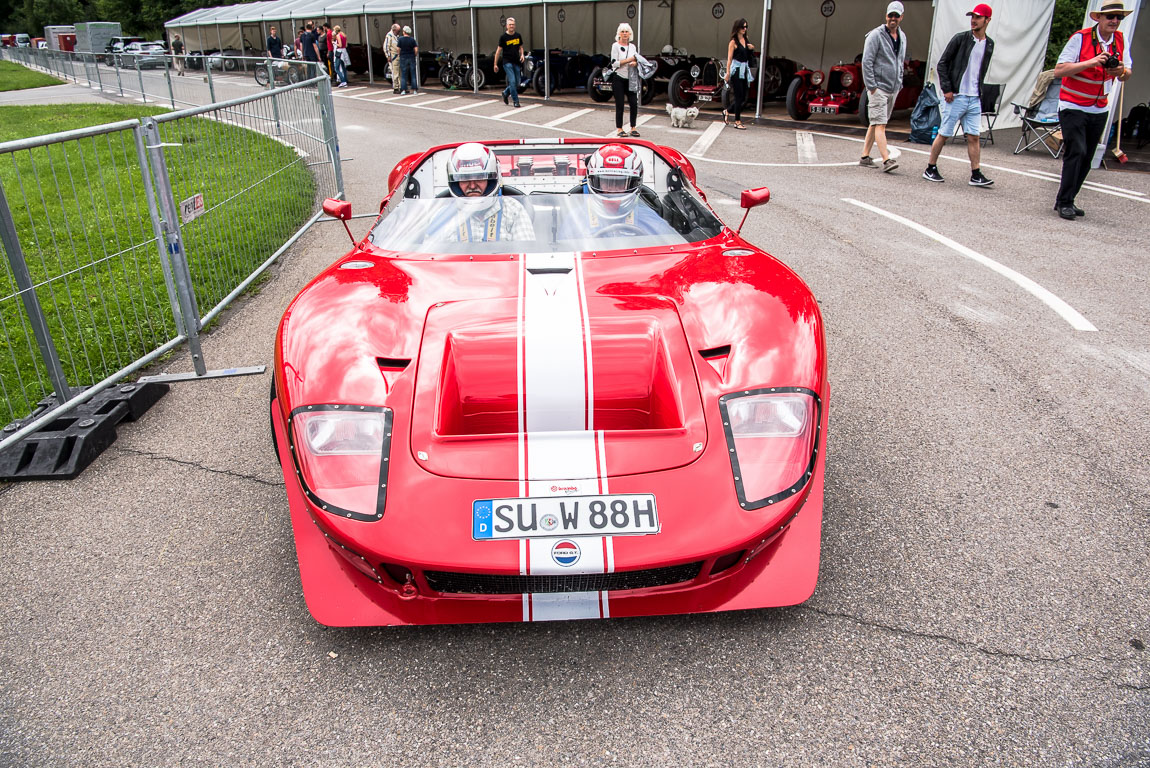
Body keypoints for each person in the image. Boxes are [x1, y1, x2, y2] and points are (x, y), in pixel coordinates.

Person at [1052, 0, 1133, 220]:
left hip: (1099, 107)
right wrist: (1092, 62)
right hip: (1073, 104)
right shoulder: (1081, 38)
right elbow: (1059, 70)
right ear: (1098, 18)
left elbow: (1127, 73)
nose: (1115, 21)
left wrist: (1120, 70)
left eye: (1119, 17)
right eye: (1111, 17)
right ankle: (1065, 201)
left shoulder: (1120, 39)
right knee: (1075, 151)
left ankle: (1067, 199)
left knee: (1087, 157)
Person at [922, 4, 995, 187]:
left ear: (987, 20)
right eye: (972, 17)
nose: (973, 20)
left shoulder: (989, 44)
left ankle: (976, 173)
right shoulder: (960, 39)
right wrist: (947, 88)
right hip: (956, 96)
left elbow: (980, 70)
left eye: (978, 17)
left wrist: (980, 93)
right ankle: (930, 167)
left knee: (974, 136)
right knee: (944, 133)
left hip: (974, 97)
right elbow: (942, 64)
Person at [558, 144, 668, 240]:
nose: (612, 191)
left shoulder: (652, 222)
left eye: (620, 184)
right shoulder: (575, 221)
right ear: (593, 181)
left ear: (634, 184)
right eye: (607, 182)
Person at [431, 143, 534, 243]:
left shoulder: (513, 210)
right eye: (464, 179)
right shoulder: (443, 216)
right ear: (456, 182)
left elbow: (526, 253)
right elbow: (427, 257)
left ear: (490, 180)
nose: (472, 186)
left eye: (479, 178)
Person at [860, 1, 908, 172]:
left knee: (876, 123)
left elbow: (900, 61)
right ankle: (887, 160)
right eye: (890, 15)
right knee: (881, 124)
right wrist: (872, 86)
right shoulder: (875, 35)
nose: (893, 18)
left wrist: (899, 82)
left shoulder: (902, 37)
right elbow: (867, 62)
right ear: (886, 16)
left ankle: (865, 156)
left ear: (901, 17)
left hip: (892, 87)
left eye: (896, 15)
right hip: (878, 87)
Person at [723, 18, 755, 130]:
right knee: (738, 96)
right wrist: (727, 73)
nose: (745, 29)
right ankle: (737, 121)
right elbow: (729, 59)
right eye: (743, 27)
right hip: (736, 70)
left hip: (745, 70)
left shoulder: (746, 40)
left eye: (746, 27)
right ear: (737, 28)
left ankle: (727, 111)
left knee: (743, 97)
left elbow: (748, 55)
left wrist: (751, 48)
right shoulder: (733, 42)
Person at [609, 23, 640, 138]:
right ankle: (619, 128)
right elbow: (614, 63)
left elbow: (636, 60)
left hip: (630, 78)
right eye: (622, 31)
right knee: (620, 104)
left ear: (630, 34)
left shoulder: (633, 47)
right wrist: (628, 60)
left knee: (633, 103)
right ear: (619, 34)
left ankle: (633, 127)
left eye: (627, 31)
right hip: (618, 78)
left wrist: (635, 62)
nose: (625, 34)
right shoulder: (615, 46)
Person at [494, 17, 525, 108]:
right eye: (510, 24)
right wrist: (495, 64)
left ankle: (505, 92)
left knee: (517, 83)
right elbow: (498, 51)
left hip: (516, 62)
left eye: (513, 24)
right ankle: (516, 101)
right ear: (507, 26)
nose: (511, 26)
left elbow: (521, 47)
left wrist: (522, 55)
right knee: (512, 81)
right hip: (507, 62)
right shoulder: (503, 37)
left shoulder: (518, 36)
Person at [397, 26, 418, 94]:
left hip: (403, 57)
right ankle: (414, 90)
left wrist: (399, 54)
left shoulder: (400, 39)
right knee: (413, 73)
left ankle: (403, 90)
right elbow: (416, 49)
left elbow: (398, 49)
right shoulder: (412, 40)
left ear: (404, 32)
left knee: (403, 74)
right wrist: (414, 55)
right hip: (411, 57)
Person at [385, 24, 401, 94]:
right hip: (393, 57)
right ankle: (396, 87)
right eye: (398, 31)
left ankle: (401, 87)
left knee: (400, 73)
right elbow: (386, 47)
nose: (399, 32)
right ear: (394, 30)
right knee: (395, 73)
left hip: (398, 56)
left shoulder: (396, 36)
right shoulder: (389, 36)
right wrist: (388, 56)